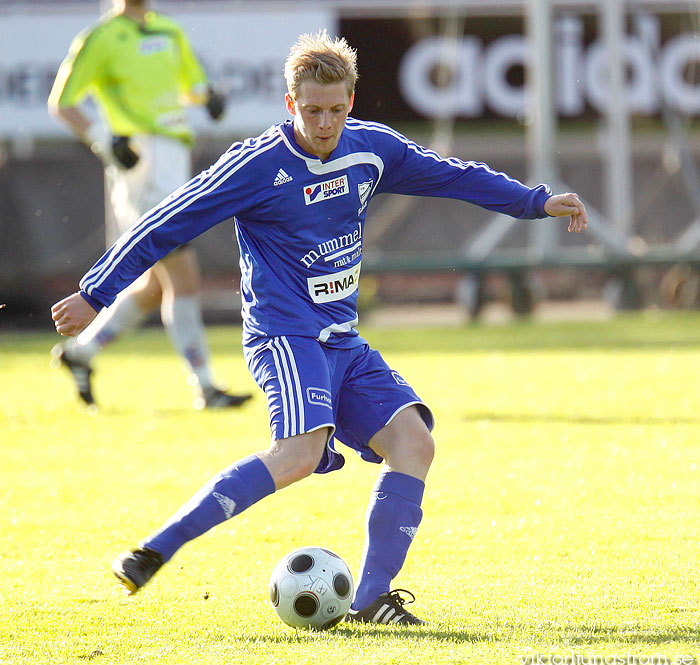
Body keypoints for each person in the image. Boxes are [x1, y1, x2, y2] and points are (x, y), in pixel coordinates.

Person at [51, 30, 587, 625]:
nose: (325, 122)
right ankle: (155, 549)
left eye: (336, 109)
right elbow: (166, 222)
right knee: (300, 454)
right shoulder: (256, 165)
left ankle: (371, 603)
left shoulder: (370, 149)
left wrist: (534, 202)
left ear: (351, 102)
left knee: (414, 444)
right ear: (290, 104)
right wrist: (95, 292)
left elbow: (452, 176)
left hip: (343, 340)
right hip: (284, 335)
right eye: (312, 111)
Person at [48, 0, 251, 410]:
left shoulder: (168, 31)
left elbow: (189, 87)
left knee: (157, 285)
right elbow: (64, 103)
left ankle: (82, 353)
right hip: (142, 167)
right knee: (184, 276)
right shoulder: (101, 38)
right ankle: (207, 387)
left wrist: (207, 98)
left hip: (174, 164)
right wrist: (106, 140)